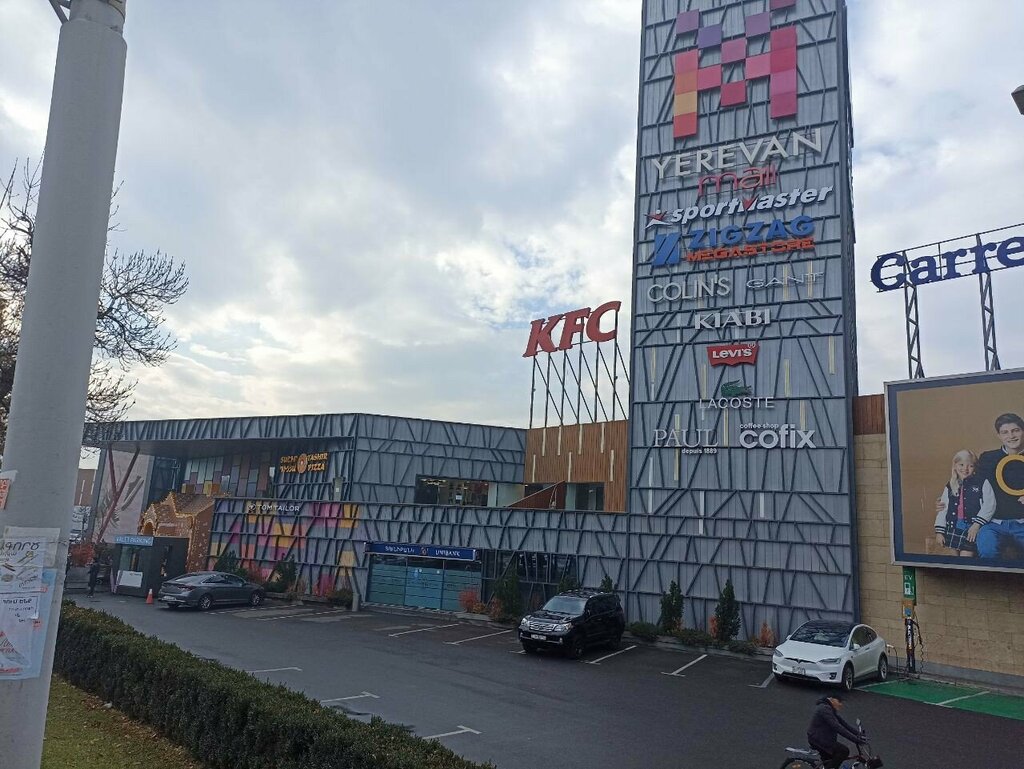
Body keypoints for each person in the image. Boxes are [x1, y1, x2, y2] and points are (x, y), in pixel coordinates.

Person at [975, 413, 1024, 559]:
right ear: (999, 436)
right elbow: (973, 488)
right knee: (987, 551)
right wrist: (948, 500)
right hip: (993, 524)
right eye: (1005, 432)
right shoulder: (988, 458)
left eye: (1015, 430)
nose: (1011, 436)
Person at [933, 449, 994, 556]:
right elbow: (943, 509)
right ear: (955, 465)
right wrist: (939, 531)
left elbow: (990, 505)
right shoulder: (950, 485)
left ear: (975, 468)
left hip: (972, 528)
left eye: (970, 466)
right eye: (961, 465)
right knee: (954, 560)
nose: (965, 469)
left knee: (966, 558)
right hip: (953, 527)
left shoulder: (982, 482)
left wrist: (977, 525)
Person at [806, 694, 865, 769]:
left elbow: (843, 724)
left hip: (823, 738)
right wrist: (855, 740)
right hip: (818, 740)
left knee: (831, 760)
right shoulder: (825, 709)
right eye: (839, 701)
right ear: (832, 699)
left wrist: (858, 734)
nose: (841, 704)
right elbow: (837, 727)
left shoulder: (829, 709)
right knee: (844, 751)